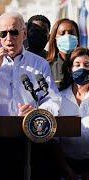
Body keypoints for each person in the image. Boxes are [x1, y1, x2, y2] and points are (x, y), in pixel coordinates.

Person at [0, 12, 61, 179]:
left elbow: (53, 100)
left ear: (24, 33)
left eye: (14, 32)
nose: (9, 38)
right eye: (3, 33)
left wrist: (36, 114)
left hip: (31, 139)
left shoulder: (39, 64)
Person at [58, 47, 89, 179]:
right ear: (70, 69)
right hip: (65, 165)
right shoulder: (59, 98)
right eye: (77, 65)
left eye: (87, 65)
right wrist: (67, 170)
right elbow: (54, 141)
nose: (82, 68)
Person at [47, 18, 80, 90]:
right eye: (62, 33)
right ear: (55, 38)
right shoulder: (47, 66)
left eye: (71, 33)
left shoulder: (85, 64)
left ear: (77, 36)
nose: (67, 36)